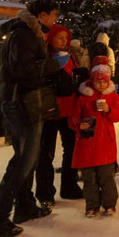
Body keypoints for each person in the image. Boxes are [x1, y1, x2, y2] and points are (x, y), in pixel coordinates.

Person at [0, 0, 62, 237]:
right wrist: (53, 65)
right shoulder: (23, 36)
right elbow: (24, 71)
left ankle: (25, 206)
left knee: (29, 157)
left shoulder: (29, 34)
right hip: (22, 104)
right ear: (41, 15)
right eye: (53, 15)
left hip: (26, 102)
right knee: (23, 161)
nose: (55, 20)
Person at [35, 24, 86, 205]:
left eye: (66, 37)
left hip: (69, 110)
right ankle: (45, 192)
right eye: (60, 37)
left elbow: (74, 77)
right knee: (46, 153)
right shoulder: (44, 57)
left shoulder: (70, 56)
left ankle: (69, 186)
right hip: (50, 111)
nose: (64, 40)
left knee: (71, 149)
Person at [69, 56, 119, 217]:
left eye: (104, 81)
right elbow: (73, 118)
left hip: (105, 144)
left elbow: (118, 115)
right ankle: (91, 205)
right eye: (98, 81)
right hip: (86, 144)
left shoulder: (112, 97)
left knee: (106, 177)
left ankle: (109, 204)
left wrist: (108, 110)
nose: (101, 84)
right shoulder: (83, 98)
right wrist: (79, 124)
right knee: (89, 178)